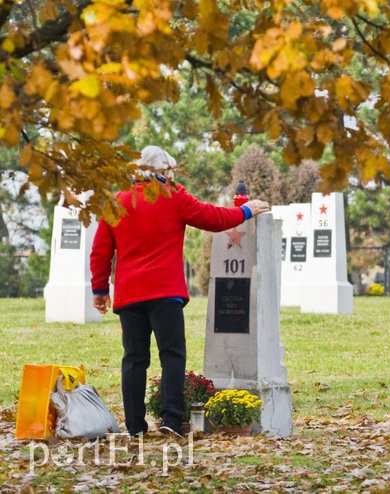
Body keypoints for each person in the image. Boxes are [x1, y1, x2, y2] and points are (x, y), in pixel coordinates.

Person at [90, 145, 270, 437]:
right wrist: (246, 210)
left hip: (129, 294)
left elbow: (100, 252)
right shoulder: (172, 197)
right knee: (172, 355)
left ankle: (135, 426)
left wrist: (100, 288)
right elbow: (211, 218)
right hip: (165, 293)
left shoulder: (116, 202)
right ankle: (172, 421)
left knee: (134, 359)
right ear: (161, 170)